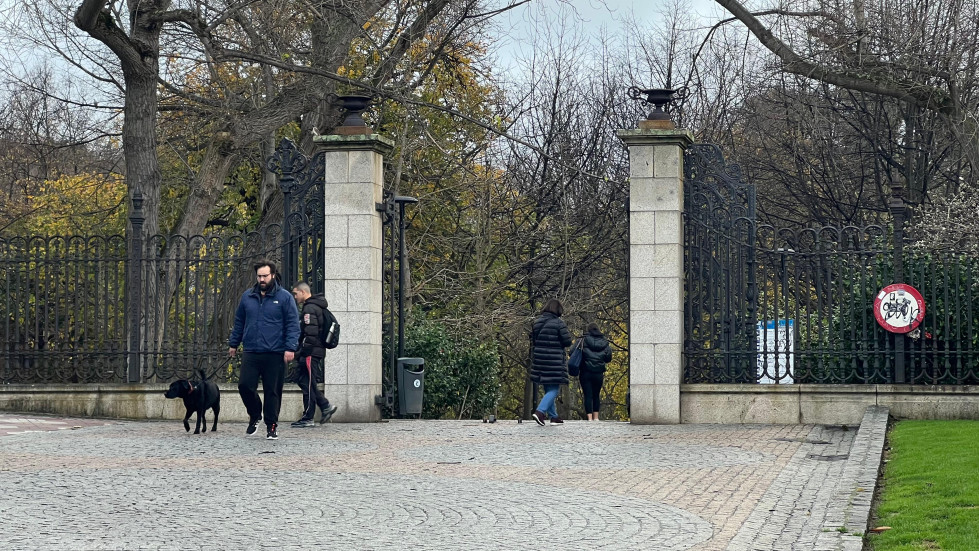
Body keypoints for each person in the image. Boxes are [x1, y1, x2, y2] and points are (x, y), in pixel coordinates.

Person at [228, 259, 300, 440]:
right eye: (259, 276)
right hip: (252, 350)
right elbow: (239, 322)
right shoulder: (247, 297)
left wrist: (290, 347)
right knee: (244, 385)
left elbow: (293, 324)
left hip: (275, 352)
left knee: (272, 391)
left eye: (265, 276)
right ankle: (255, 414)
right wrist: (234, 343)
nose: (262, 279)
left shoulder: (284, 297)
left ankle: (272, 425)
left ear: (273, 275)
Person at [290, 282, 339, 428]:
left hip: (311, 353)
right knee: (304, 381)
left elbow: (311, 334)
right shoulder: (314, 306)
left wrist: (301, 353)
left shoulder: (310, 308)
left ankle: (323, 407)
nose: (295, 296)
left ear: (303, 292)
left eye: (296, 293)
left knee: (309, 382)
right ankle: (310, 414)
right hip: (312, 351)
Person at [529, 298, 573, 426]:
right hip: (554, 360)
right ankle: (540, 412)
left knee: (549, 387)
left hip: (540, 360)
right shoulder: (559, 324)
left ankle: (554, 417)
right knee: (554, 389)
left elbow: (534, 341)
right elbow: (567, 342)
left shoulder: (537, 323)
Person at [579, 322, 612, 421]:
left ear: (588, 330)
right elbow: (608, 358)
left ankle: (589, 417)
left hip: (585, 372)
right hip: (598, 372)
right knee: (596, 394)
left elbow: (573, 352)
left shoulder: (583, 340)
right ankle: (596, 417)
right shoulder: (604, 342)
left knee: (588, 395)